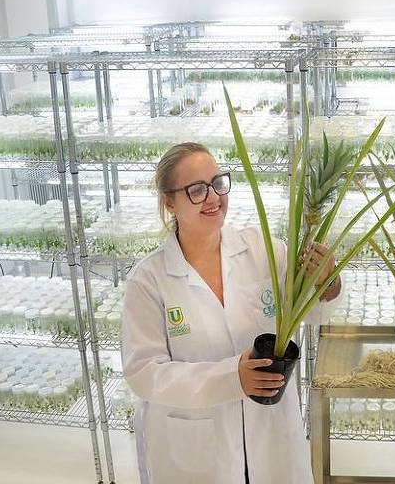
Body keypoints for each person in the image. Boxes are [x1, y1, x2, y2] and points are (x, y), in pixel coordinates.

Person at [122, 142, 343, 483]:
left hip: (270, 431)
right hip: (197, 444)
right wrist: (231, 378)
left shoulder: (262, 248)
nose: (213, 198)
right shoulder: (150, 279)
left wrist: (327, 284)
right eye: (196, 190)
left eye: (217, 183)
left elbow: (311, 312)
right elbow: (144, 373)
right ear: (169, 202)